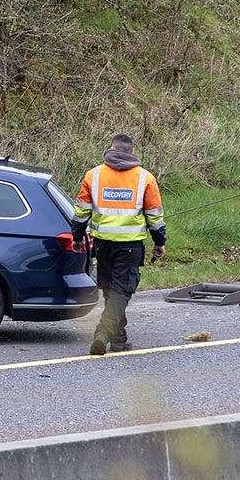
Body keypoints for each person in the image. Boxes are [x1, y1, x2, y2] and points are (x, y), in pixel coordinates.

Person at [72, 133, 165, 356]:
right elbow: (154, 216)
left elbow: (81, 212)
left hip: (103, 244)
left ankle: (119, 339)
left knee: (110, 290)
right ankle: (102, 333)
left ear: (111, 149)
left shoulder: (93, 175)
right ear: (132, 152)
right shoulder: (145, 178)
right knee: (121, 291)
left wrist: (76, 237)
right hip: (130, 245)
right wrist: (160, 242)